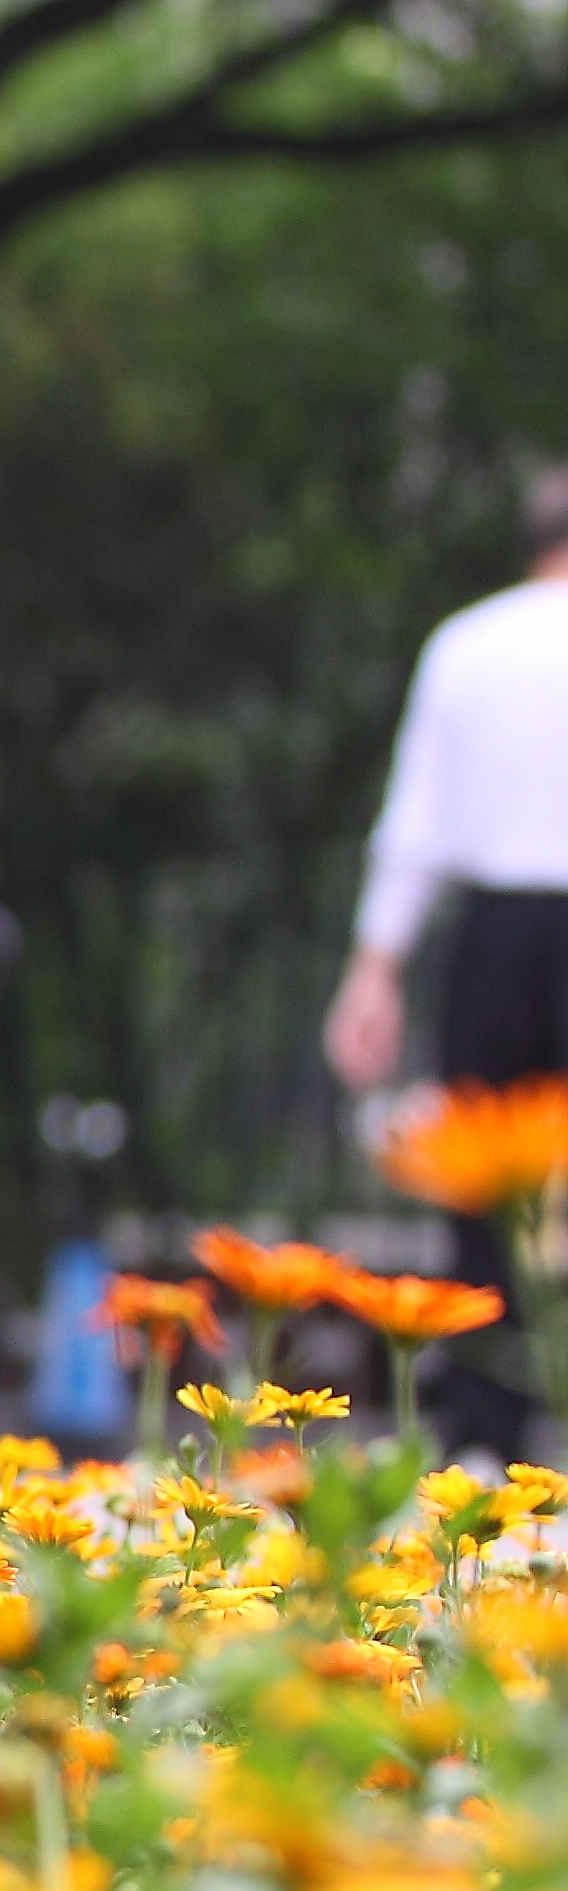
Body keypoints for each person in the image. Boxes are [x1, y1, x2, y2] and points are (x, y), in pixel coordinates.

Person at [323, 460, 568, 1455]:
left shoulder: (464, 644)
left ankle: (487, 1435)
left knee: (479, 1189)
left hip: (495, 939)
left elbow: (414, 823)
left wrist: (374, 968)